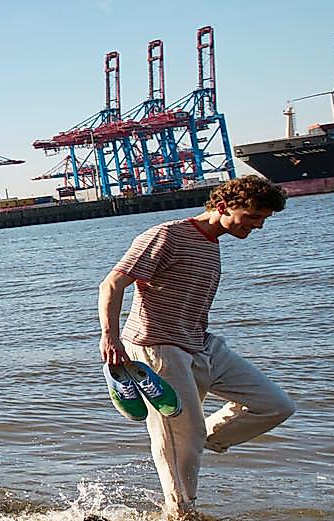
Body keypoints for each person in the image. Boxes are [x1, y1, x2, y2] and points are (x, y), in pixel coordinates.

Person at [98, 175, 295, 520]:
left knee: (275, 405)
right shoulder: (166, 235)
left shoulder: (211, 242)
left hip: (201, 343)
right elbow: (112, 283)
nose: (258, 226)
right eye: (252, 217)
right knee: (179, 443)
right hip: (157, 347)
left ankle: (197, 438)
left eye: (264, 218)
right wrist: (110, 337)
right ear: (222, 208)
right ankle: (180, 513)